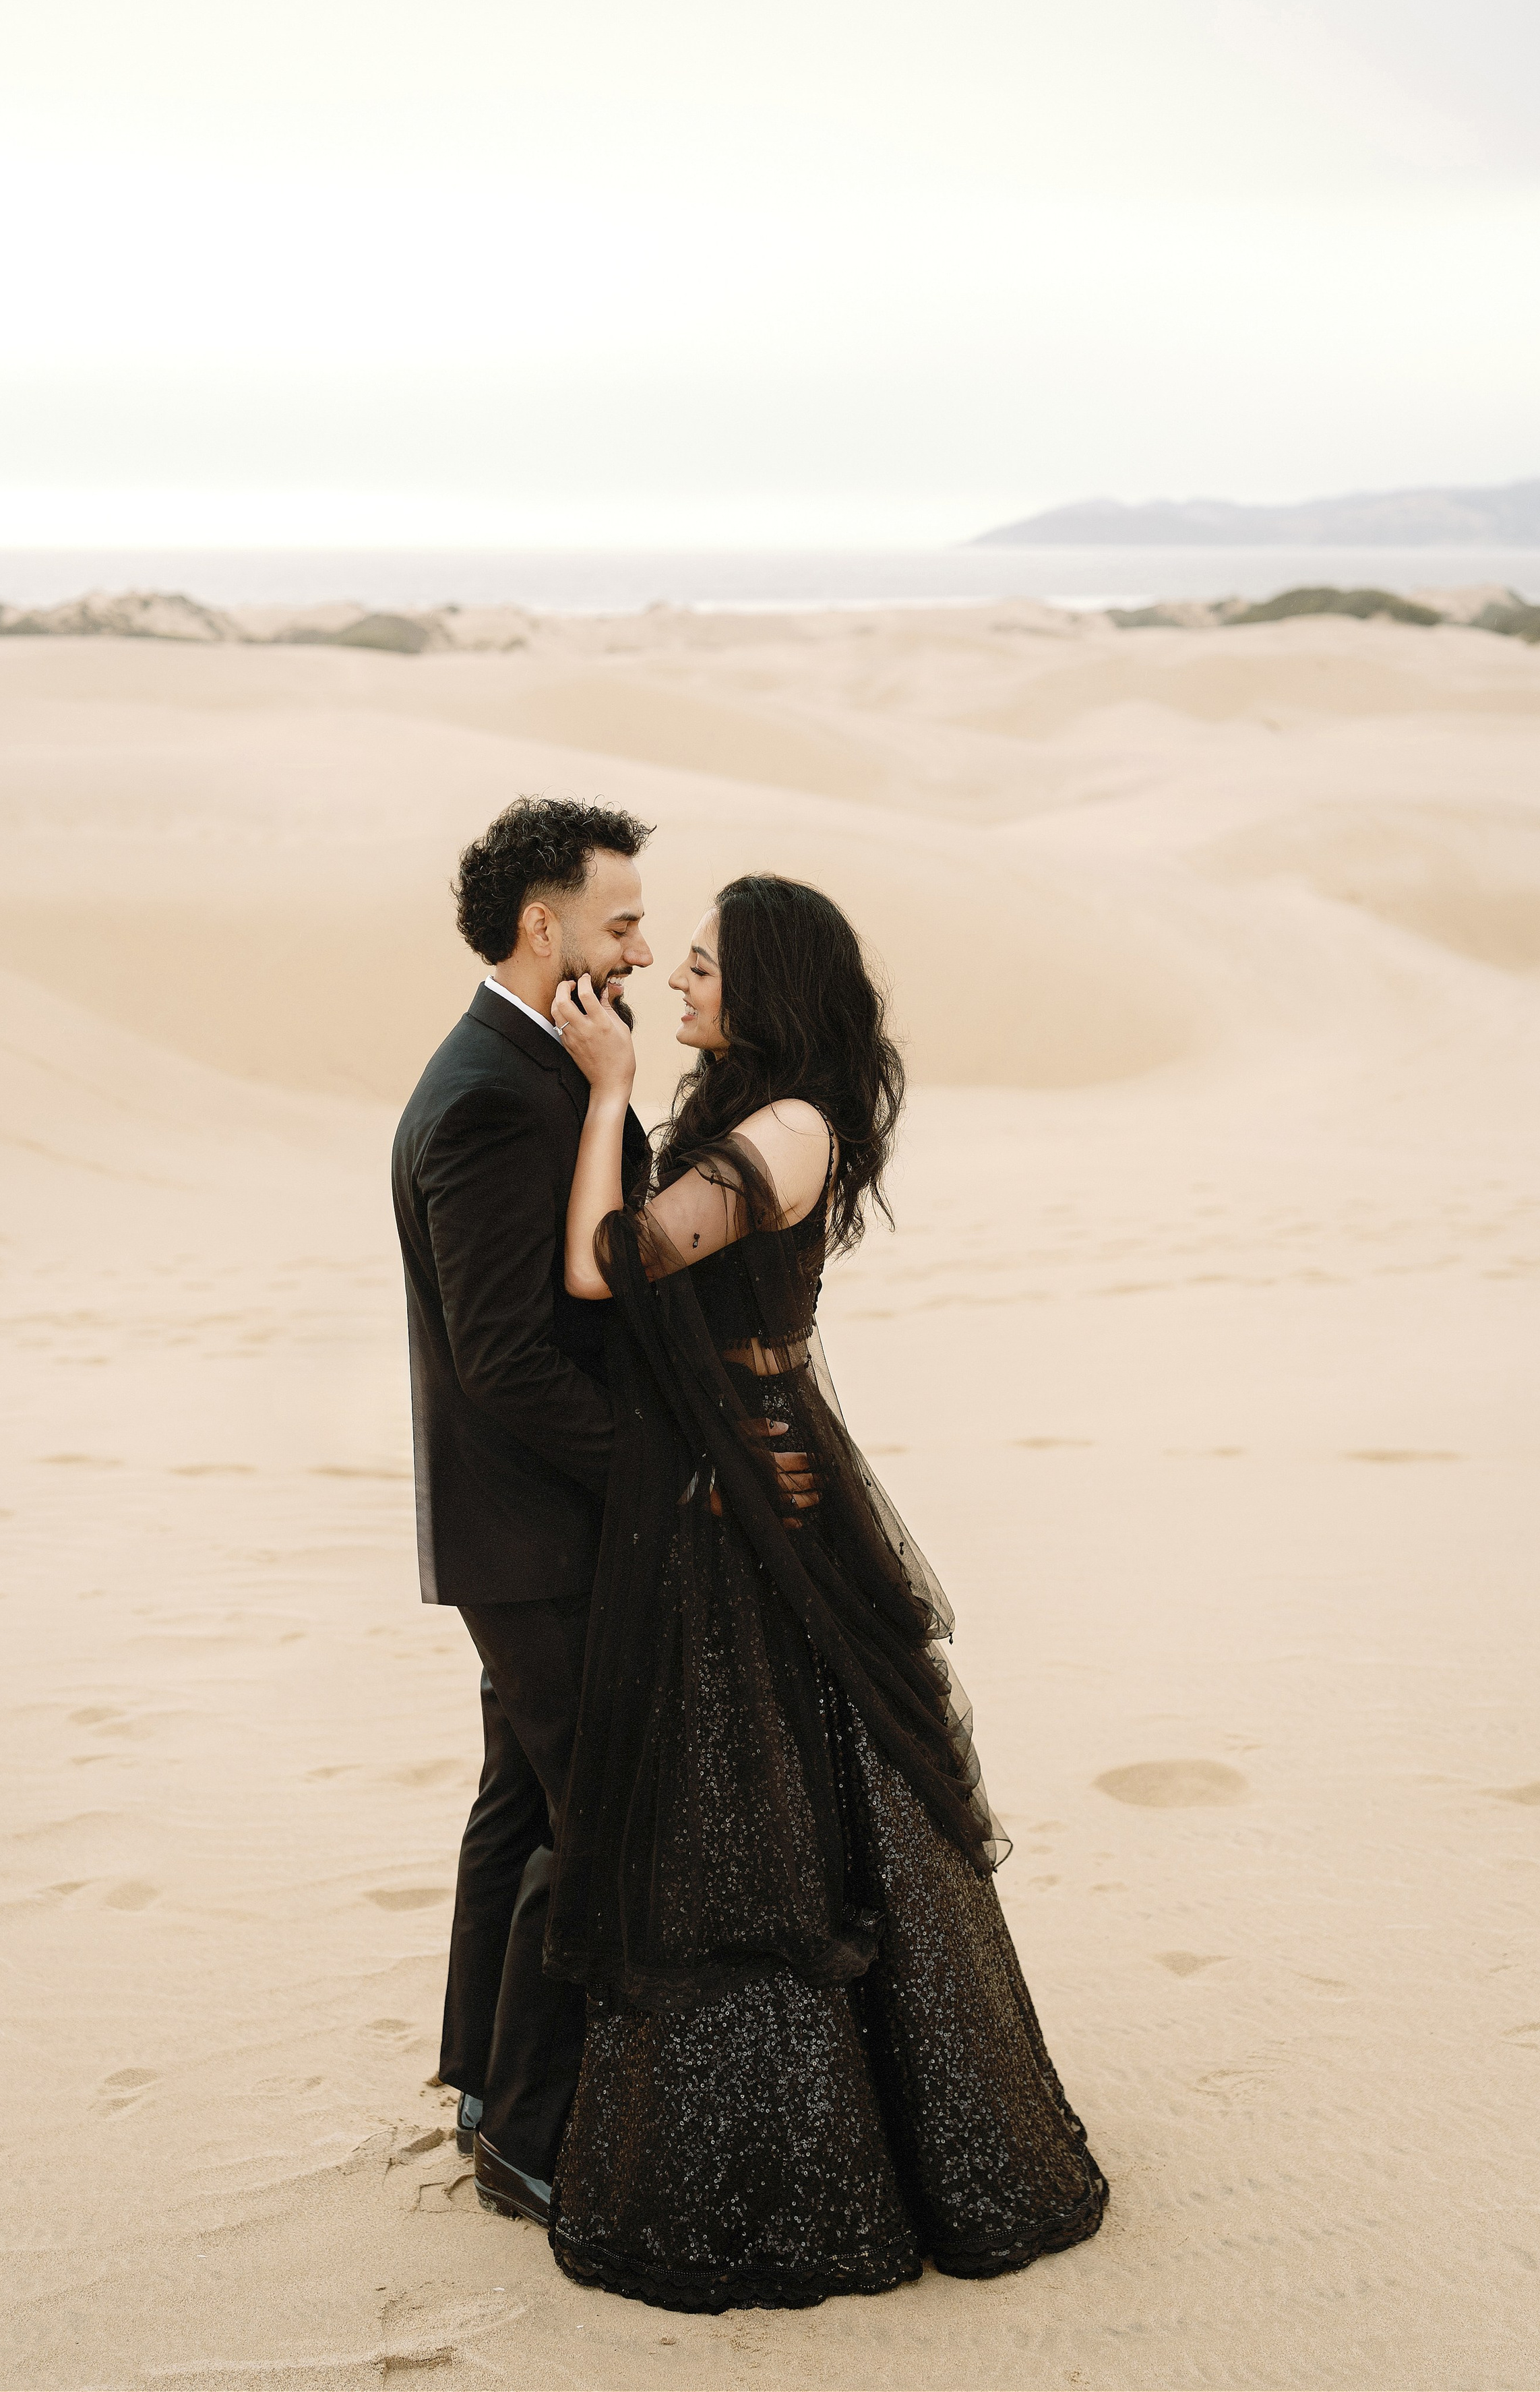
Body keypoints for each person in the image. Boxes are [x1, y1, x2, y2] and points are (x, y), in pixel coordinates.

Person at [539, 873, 1108, 2311]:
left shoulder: (787, 1128)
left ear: (767, 986)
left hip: (761, 1498)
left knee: (788, 1816)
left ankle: (832, 2163)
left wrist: (605, 1093)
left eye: (707, 964)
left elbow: (613, 1266)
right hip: (720, 1489)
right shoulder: (752, 1109)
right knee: (746, 1805)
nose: (677, 974)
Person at [389, 796, 657, 2227]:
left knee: (517, 1804)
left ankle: (485, 2082)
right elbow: (501, 1352)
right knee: (594, 1813)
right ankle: (532, 2140)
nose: (644, 941)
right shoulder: (492, 1088)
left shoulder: (528, 1054)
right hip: (542, 1533)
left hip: (527, 1530)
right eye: (621, 920)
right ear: (543, 927)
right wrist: (652, 1475)